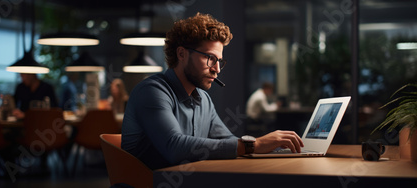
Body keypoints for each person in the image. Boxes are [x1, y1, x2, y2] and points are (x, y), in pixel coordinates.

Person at [122, 13, 303, 170]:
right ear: (182, 54)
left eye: (219, 61)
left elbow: (228, 141)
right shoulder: (152, 91)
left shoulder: (203, 99)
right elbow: (174, 148)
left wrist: (267, 147)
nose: (217, 69)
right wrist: (255, 144)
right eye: (210, 58)